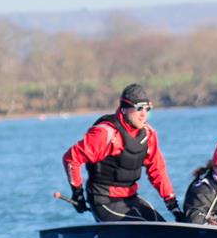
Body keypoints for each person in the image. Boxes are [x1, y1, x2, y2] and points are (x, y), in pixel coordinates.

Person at [62, 84, 184, 222]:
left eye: (147, 109)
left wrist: (172, 204)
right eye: (139, 109)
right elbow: (71, 158)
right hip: (104, 200)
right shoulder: (105, 133)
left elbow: (157, 170)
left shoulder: (149, 135)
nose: (144, 114)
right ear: (124, 109)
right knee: (148, 229)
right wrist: (77, 193)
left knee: (162, 227)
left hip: (130, 198)